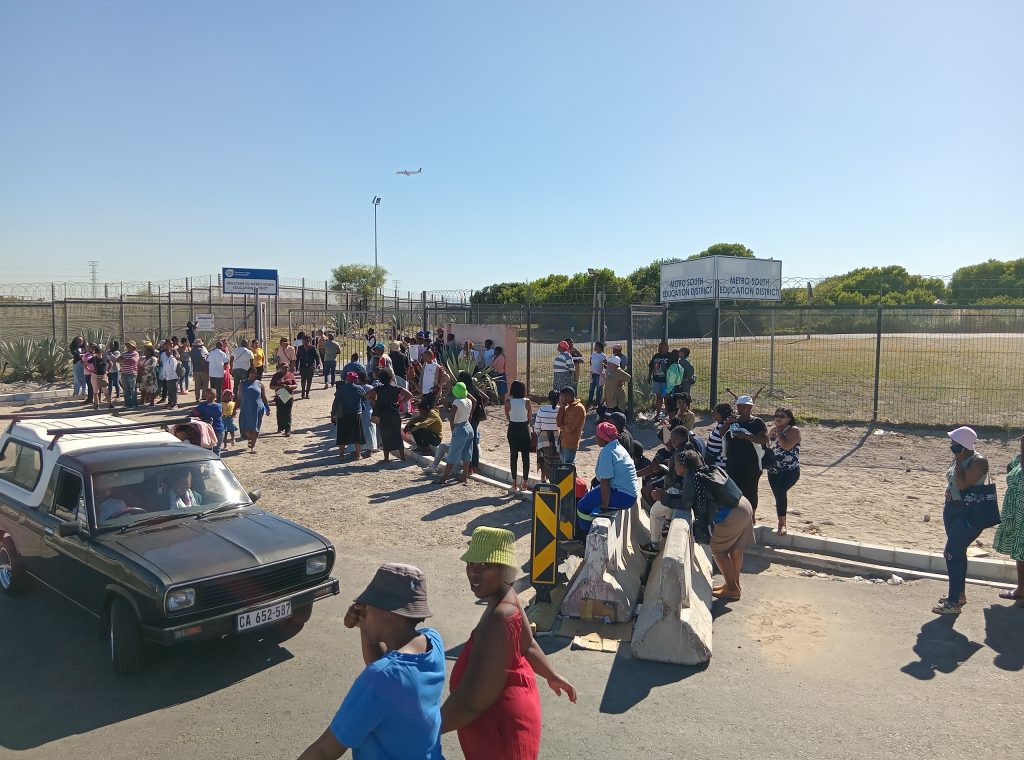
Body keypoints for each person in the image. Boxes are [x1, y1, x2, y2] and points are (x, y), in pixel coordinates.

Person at [441, 527, 576, 759]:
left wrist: (426, 729)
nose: (474, 573)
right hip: (508, 722)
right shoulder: (506, 596)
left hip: (500, 735)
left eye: (485, 566)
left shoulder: (499, 616)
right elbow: (528, 643)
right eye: (471, 564)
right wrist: (552, 675)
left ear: (506, 570)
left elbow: (471, 702)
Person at [297, 563, 445, 760]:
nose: (362, 610)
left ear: (391, 612)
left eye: (368, 604)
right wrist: (365, 628)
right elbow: (389, 670)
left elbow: (325, 751)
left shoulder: (381, 678)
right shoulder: (433, 642)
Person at [934, 426, 989, 614]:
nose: (951, 446)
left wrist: (958, 461)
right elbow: (952, 481)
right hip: (951, 509)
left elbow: (963, 485)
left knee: (950, 553)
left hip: (968, 514)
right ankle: (959, 594)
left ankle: (953, 603)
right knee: (958, 552)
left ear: (963, 445)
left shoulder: (979, 462)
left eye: (955, 443)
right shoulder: (958, 458)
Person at [575, 422, 639, 535]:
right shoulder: (617, 447)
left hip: (623, 496)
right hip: (629, 494)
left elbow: (605, 481)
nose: (596, 438)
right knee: (588, 498)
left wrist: (604, 505)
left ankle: (585, 535)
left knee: (582, 506)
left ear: (603, 437)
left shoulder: (608, 452)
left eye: (597, 436)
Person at [993, 432, 1024, 604]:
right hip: (1017, 513)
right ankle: (1021, 590)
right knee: (1021, 552)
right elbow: (1010, 468)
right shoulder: (1018, 459)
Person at [724, 395, 768, 514]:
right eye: (738, 406)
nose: (740, 409)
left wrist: (746, 436)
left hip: (751, 464)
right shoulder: (734, 420)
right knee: (734, 490)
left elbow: (764, 439)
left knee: (750, 491)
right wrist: (727, 423)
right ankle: (737, 515)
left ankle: (751, 516)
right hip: (733, 462)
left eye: (743, 407)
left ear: (750, 407)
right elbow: (721, 433)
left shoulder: (757, 422)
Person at [364, 368, 412, 463]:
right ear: (390, 378)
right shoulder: (396, 388)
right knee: (397, 434)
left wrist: (375, 400)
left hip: (383, 413)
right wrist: (400, 402)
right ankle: (402, 457)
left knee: (385, 435)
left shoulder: (378, 389)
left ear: (380, 378)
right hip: (394, 412)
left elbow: (367, 395)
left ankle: (386, 458)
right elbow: (409, 395)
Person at [766, 407, 802, 535]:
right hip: (773, 470)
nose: (778, 418)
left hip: (790, 470)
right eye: (776, 415)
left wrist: (780, 433)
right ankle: (781, 519)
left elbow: (786, 447)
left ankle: (782, 525)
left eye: (782, 416)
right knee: (778, 495)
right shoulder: (772, 430)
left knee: (780, 491)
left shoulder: (794, 431)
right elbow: (768, 447)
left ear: (789, 418)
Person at [435, 382, 475, 484]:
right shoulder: (469, 401)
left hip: (460, 428)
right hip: (468, 427)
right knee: (467, 453)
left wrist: (453, 429)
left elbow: (452, 417)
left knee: (452, 454)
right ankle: (464, 476)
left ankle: (444, 478)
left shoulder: (457, 402)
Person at [504, 381, 533, 494]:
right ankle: (524, 483)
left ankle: (514, 483)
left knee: (513, 455)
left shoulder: (508, 402)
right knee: (525, 456)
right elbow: (530, 416)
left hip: (513, 429)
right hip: (524, 429)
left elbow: (507, 416)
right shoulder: (527, 401)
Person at [332, 371, 366, 461]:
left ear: (346, 379)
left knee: (342, 435)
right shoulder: (360, 389)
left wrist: (333, 414)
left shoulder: (341, 389)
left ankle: (341, 455)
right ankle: (358, 455)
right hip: (356, 414)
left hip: (343, 414)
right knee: (357, 435)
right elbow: (364, 399)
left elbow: (335, 402)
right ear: (356, 379)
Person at [238, 366, 271, 454]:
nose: (253, 374)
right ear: (248, 374)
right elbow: (239, 396)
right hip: (245, 408)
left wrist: (267, 408)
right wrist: (234, 407)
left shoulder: (260, 384)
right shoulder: (242, 384)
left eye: (255, 373)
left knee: (255, 428)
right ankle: (250, 438)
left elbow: (263, 397)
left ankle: (253, 446)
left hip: (257, 408)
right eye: (251, 373)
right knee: (245, 428)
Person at [533, 390, 560, 483]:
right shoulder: (561, 410)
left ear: (548, 399)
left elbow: (536, 427)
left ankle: (543, 481)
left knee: (543, 460)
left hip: (543, 439)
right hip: (557, 439)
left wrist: (540, 433)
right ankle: (555, 481)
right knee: (557, 461)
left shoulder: (542, 409)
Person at [555, 387, 585, 464]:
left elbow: (569, 428)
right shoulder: (567, 407)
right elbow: (558, 423)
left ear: (569, 396)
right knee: (563, 468)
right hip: (563, 442)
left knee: (568, 467)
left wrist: (561, 427)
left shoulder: (578, 408)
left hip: (570, 443)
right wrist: (562, 407)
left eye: (562, 396)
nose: (560, 399)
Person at [269, 361, 298, 437]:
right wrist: (279, 386)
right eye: (283, 368)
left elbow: (295, 385)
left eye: (286, 367)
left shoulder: (290, 375)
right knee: (280, 412)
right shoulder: (276, 375)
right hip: (280, 395)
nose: (285, 369)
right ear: (280, 368)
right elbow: (271, 386)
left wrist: (290, 386)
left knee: (287, 413)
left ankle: (287, 430)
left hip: (288, 395)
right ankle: (280, 427)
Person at [193, 388, 225, 455]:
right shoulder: (219, 406)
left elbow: (194, 413)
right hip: (219, 430)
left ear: (206, 396)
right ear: (216, 397)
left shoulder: (202, 406)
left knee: (207, 451)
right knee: (217, 450)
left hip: (207, 431)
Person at [647, 341, 673, 420]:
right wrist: (649, 376)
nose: (664, 348)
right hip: (656, 380)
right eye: (663, 347)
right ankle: (658, 414)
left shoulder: (669, 356)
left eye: (666, 347)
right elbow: (651, 367)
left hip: (665, 381)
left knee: (665, 396)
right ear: (660, 348)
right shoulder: (656, 356)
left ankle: (667, 413)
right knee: (658, 397)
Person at [704, 402, 733, 468]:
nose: (712, 413)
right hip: (714, 463)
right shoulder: (720, 426)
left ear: (719, 414)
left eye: (714, 411)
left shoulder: (724, 428)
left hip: (720, 466)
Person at [117, 341, 139, 408]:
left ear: (133, 346)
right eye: (128, 345)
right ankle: (128, 404)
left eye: (130, 345)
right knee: (126, 390)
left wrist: (123, 361)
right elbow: (118, 359)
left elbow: (132, 361)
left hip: (131, 374)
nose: (128, 347)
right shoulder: (124, 353)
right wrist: (124, 361)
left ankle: (134, 404)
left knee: (133, 389)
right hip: (124, 373)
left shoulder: (135, 354)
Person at [89, 345, 112, 409]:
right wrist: (90, 370)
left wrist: (107, 370)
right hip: (95, 375)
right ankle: (96, 404)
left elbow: (110, 363)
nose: (99, 353)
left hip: (103, 376)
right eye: (97, 352)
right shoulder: (93, 359)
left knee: (106, 390)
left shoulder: (105, 358)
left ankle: (110, 404)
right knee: (95, 391)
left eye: (100, 352)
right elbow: (85, 364)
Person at [159, 342, 180, 409]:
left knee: (174, 391)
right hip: (168, 378)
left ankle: (175, 404)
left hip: (173, 378)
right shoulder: (167, 359)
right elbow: (165, 368)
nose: (167, 353)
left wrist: (169, 377)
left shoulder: (173, 359)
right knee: (170, 391)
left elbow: (173, 369)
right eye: (166, 352)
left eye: (168, 352)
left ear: (171, 352)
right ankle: (170, 402)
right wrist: (165, 376)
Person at [138, 342, 160, 406]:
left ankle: (152, 402)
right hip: (143, 376)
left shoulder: (153, 359)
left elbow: (152, 366)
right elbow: (139, 364)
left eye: (147, 351)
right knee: (143, 389)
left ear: (150, 351)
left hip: (150, 377)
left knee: (151, 390)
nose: (145, 352)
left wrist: (143, 368)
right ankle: (142, 401)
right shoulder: (143, 358)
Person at [586, 341, 606, 408]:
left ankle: (598, 404)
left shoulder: (603, 356)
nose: (595, 347)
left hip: (599, 375)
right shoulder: (593, 354)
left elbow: (605, 365)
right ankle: (589, 402)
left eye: (596, 346)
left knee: (599, 389)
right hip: (593, 374)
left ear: (600, 348)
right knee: (591, 388)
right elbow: (591, 362)